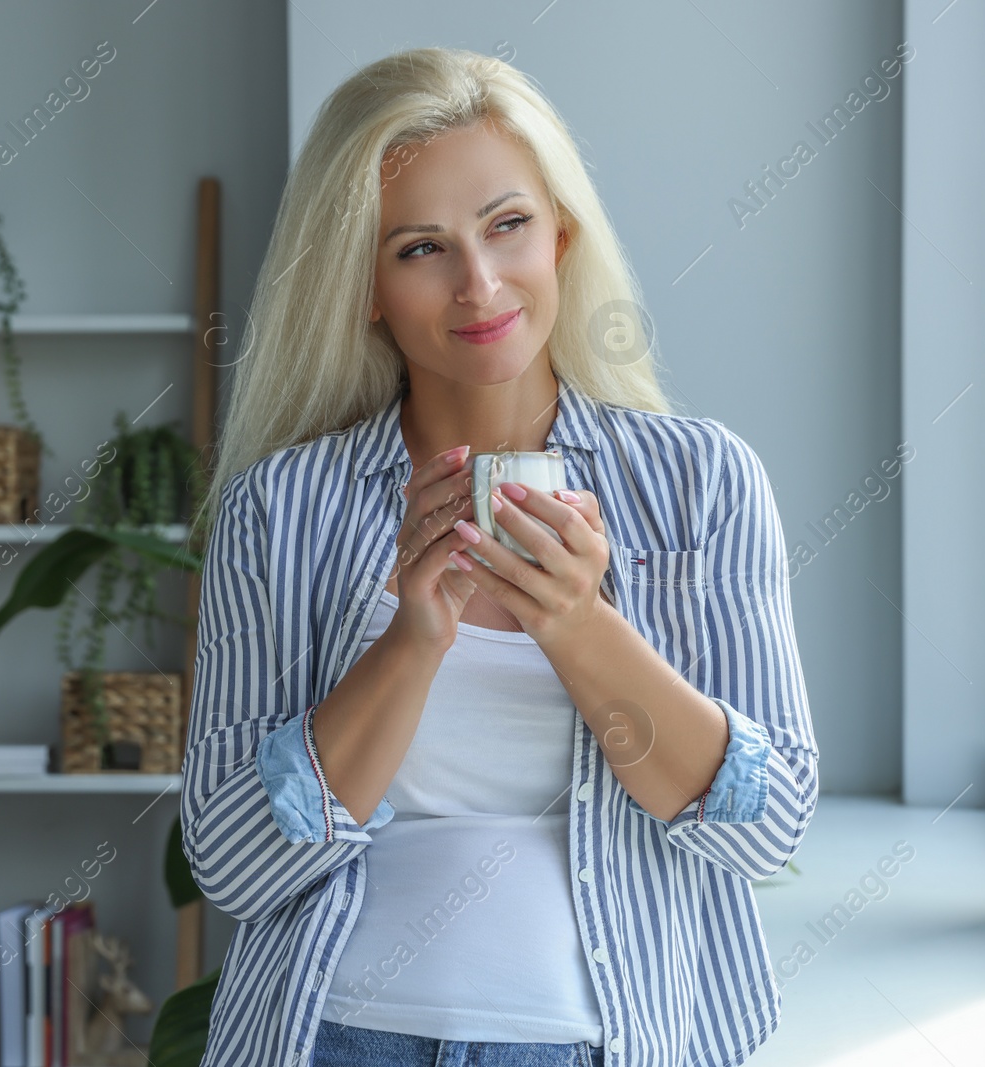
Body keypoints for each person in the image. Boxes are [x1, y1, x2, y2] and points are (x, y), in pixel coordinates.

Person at [180, 46, 819, 1067]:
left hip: (612, 1039)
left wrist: (578, 623)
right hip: (334, 1037)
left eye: (507, 225)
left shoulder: (703, 483)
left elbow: (765, 825)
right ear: (364, 288)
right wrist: (409, 642)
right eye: (421, 248)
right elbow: (233, 862)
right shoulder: (280, 508)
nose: (478, 283)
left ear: (561, 236)